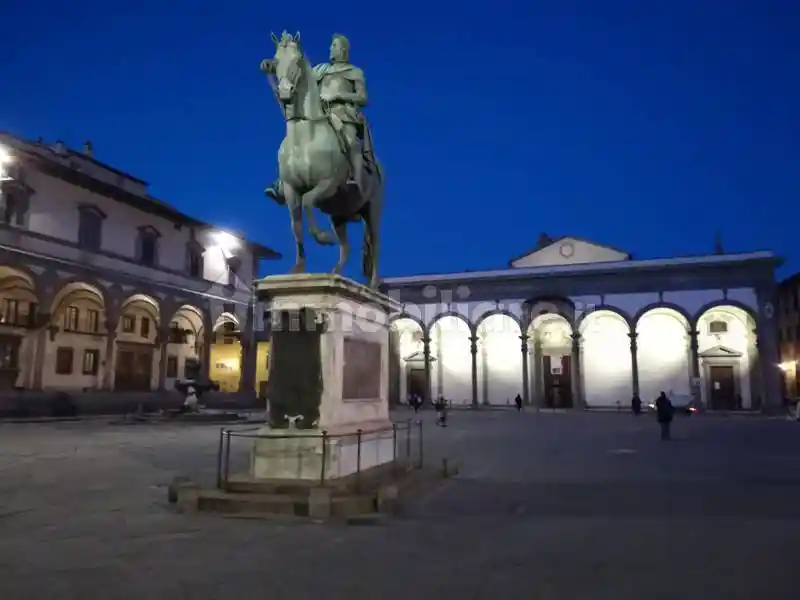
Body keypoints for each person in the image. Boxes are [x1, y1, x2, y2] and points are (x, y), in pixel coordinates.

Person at [264, 33, 373, 202]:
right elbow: (297, 71)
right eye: (331, 46)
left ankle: (354, 181)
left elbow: (363, 98)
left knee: (351, 142)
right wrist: (273, 66)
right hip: (319, 113)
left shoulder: (355, 72)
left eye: (334, 45)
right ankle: (283, 181)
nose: (331, 49)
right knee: (295, 137)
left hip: (343, 115)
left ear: (343, 50)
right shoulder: (321, 70)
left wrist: (339, 95)